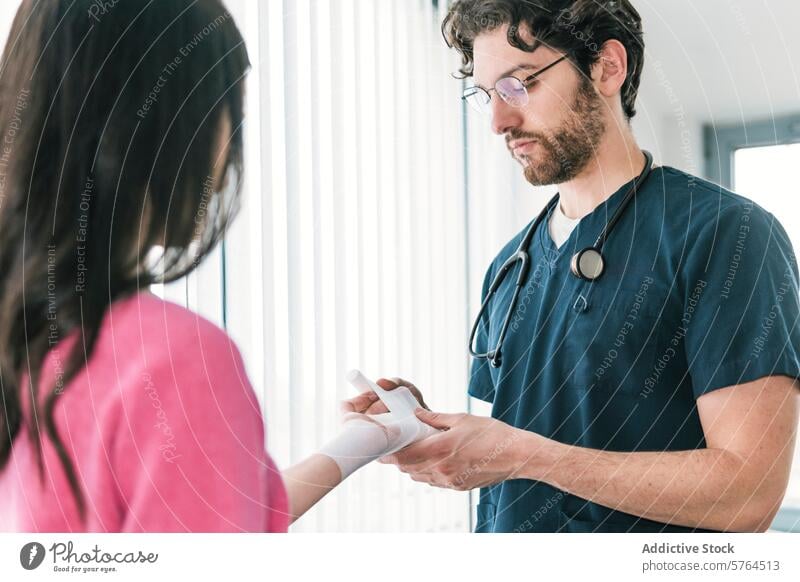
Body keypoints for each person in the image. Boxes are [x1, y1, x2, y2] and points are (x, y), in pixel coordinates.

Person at [350, 0, 800, 533]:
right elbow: (522, 436)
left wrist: (525, 454)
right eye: (486, 95)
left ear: (608, 67)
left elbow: (746, 495)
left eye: (519, 85)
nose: (498, 121)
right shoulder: (510, 264)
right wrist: (424, 428)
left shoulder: (726, 235)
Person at [0, 0, 400, 533]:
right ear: (164, 125)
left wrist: (368, 440)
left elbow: (210, 508)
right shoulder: (175, 363)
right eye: (226, 110)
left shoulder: (27, 335)